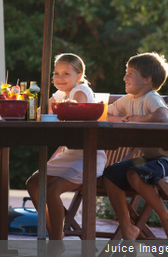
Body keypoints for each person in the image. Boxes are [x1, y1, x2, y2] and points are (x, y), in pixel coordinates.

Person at [26, 53, 107, 243]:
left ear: (79, 76)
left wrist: (51, 110)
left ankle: (55, 240)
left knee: (52, 190)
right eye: (56, 73)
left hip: (88, 156)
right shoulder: (62, 93)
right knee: (34, 184)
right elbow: (41, 113)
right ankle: (56, 231)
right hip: (70, 153)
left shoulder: (80, 91)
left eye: (66, 74)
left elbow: (70, 119)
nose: (60, 78)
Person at [102, 52, 168, 241]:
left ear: (146, 80)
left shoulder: (151, 97)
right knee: (110, 175)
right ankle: (128, 228)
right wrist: (122, 118)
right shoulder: (129, 100)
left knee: (137, 174)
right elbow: (103, 113)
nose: (124, 77)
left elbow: (165, 118)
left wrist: (138, 119)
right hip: (150, 160)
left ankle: (167, 217)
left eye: (130, 73)